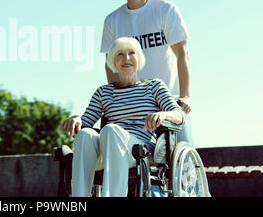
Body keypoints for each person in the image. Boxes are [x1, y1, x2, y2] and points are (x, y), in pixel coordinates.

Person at [61, 37, 186, 197]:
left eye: (131, 53)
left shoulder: (154, 86)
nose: (126, 58)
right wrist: (76, 119)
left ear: (139, 58)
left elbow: (180, 115)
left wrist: (163, 115)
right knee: (85, 134)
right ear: (113, 61)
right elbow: (85, 122)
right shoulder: (103, 92)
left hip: (137, 151)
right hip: (107, 149)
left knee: (110, 130)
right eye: (120, 54)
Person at [100, 0, 192, 145]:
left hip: (169, 98)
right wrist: (118, 97)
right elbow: (110, 65)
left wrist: (185, 96)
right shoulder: (112, 20)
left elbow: (182, 53)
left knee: (186, 155)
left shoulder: (165, 10)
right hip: (132, 102)